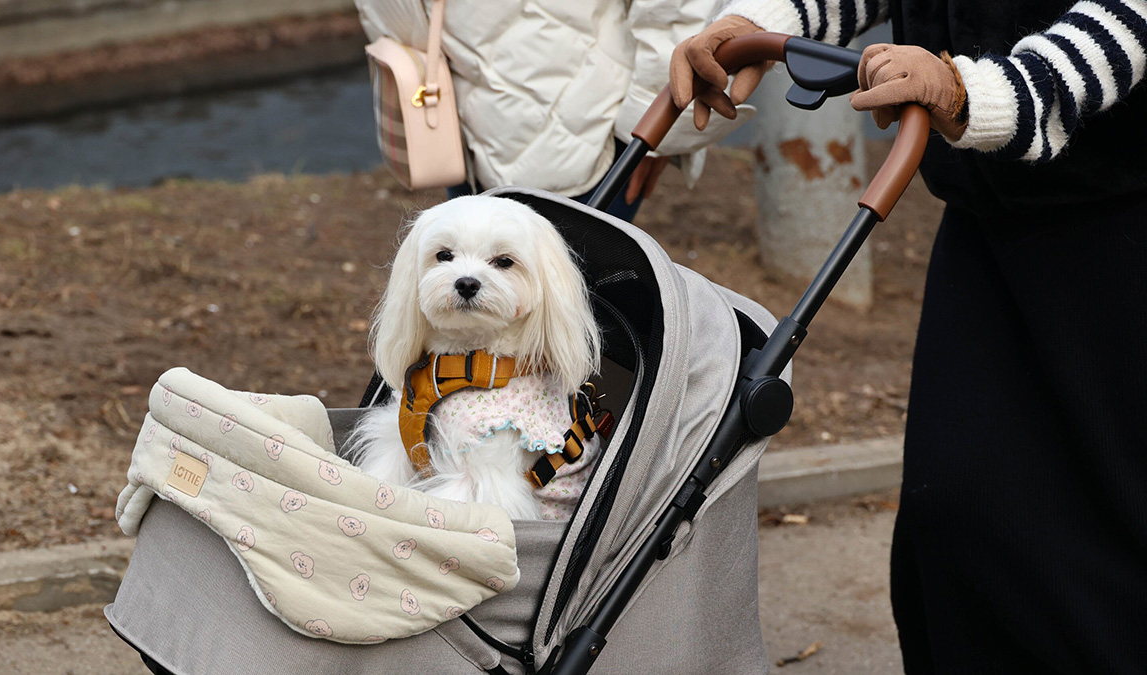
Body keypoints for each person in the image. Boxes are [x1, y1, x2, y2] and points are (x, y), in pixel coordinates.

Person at [672, 1, 1147, 672]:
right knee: (951, 517)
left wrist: (981, 91)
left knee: (1112, 533)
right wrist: (764, 19)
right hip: (986, 227)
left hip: (1120, 224)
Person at [356, 0, 753, 222]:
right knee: (485, 317)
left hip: (581, 134)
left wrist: (656, 126)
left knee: (575, 317)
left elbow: (678, 8)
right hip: (451, 116)